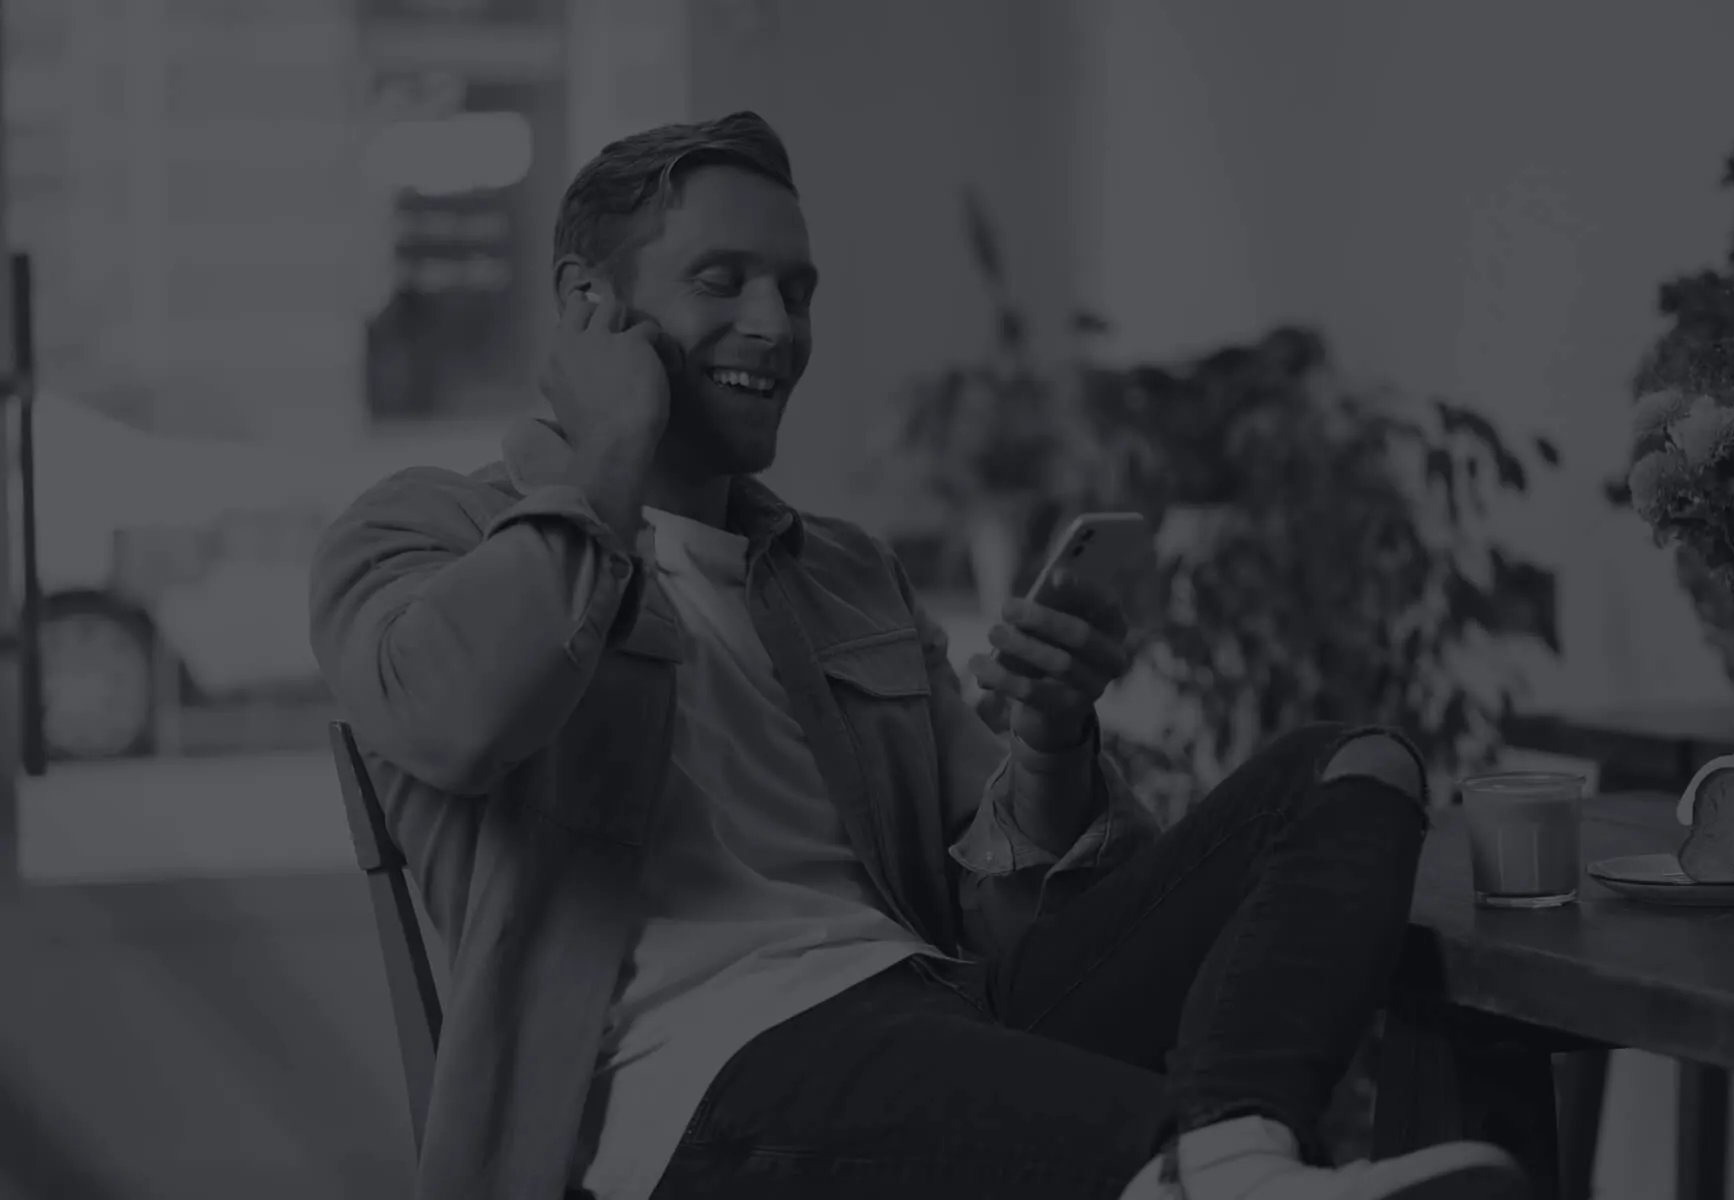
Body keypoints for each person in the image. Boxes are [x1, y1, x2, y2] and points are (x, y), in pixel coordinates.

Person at [309, 111, 1528, 1200]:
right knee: (1139, 1143)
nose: (775, 327)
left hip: (938, 1007)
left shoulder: (841, 571)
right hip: (695, 1088)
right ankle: (1216, 1167)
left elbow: (1005, 897)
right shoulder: (424, 532)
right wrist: (607, 454)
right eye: (722, 281)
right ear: (589, 309)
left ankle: (1230, 1157)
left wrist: (1052, 739)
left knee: (1352, 765)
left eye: (798, 290)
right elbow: (461, 719)